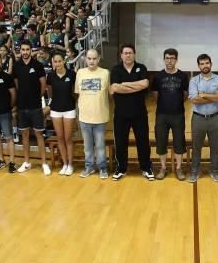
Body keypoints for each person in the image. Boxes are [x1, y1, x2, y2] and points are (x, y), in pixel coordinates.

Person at [110, 44, 153, 181]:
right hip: (121, 114)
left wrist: (123, 85)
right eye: (125, 53)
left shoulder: (142, 67)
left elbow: (145, 84)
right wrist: (136, 85)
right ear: (121, 55)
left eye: (130, 53)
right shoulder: (116, 69)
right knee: (121, 142)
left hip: (139, 113)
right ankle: (121, 168)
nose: (128, 55)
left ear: (134, 54)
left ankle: (146, 167)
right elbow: (114, 88)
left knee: (143, 141)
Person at [150, 49, 189, 180]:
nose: (169, 60)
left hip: (178, 114)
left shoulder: (183, 76)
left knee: (179, 142)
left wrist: (175, 103)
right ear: (164, 59)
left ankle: (178, 168)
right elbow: (155, 95)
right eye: (167, 58)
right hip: (162, 115)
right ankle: (163, 168)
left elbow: (185, 95)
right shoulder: (158, 76)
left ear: (176, 59)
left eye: (172, 58)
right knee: (161, 141)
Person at [188, 54, 218, 183]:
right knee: (196, 146)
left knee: (215, 147)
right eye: (202, 63)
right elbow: (194, 100)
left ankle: (215, 170)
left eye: (207, 63)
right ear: (198, 66)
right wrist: (214, 96)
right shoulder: (193, 81)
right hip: (198, 119)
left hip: (215, 118)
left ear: (211, 64)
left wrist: (203, 95)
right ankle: (195, 170)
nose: (205, 66)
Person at [74, 49, 111, 179]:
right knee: (87, 146)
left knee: (100, 146)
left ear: (98, 59)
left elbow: (110, 92)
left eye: (94, 58)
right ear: (85, 59)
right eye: (89, 58)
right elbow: (78, 93)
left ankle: (102, 168)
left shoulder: (105, 73)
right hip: (84, 117)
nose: (91, 61)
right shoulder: (80, 73)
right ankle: (89, 167)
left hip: (100, 117)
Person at [13, 40, 48, 175]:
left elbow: (43, 85)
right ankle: (27, 162)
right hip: (22, 106)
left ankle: (44, 163)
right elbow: (16, 85)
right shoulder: (16, 66)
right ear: (20, 51)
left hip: (35, 106)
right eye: (23, 49)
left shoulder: (38, 65)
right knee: (25, 135)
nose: (25, 52)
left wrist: (35, 97)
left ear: (31, 50)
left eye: (27, 49)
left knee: (39, 134)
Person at [47, 52, 77, 176]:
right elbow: (49, 93)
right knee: (60, 138)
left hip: (69, 109)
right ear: (53, 62)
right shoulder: (50, 76)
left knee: (68, 138)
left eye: (60, 61)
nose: (58, 63)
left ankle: (71, 164)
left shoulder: (71, 74)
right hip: (55, 111)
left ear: (63, 61)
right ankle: (64, 163)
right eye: (55, 61)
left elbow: (75, 92)